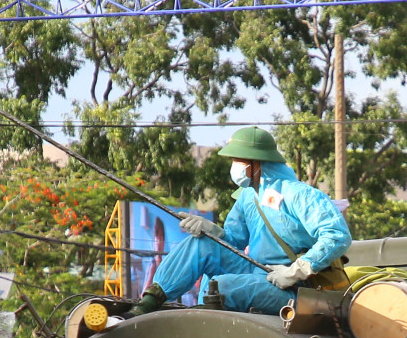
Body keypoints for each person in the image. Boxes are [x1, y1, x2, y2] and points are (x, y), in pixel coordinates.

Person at [131, 126, 351, 317]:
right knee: (201, 243)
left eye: (239, 159)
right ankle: (148, 303)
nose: (234, 165)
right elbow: (233, 242)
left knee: (223, 286)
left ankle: (200, 325)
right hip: (257, 273)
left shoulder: (299, 193)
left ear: (257, 162)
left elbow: (337, 236)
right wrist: (213, 231)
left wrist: (295, 271)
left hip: (297, 289)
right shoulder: (248, 197)